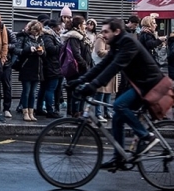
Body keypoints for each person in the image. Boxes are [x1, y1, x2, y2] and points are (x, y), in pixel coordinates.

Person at [70, 18, 164, 170]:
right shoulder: (117, 44)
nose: (103, 34)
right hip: (139, 84)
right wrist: (80, 80)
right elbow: (103, 65)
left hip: (150, 84)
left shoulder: (129, 43)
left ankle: (147, 137)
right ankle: (118, 158)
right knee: (117, 118)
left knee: (118, 105)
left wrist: (93, 86)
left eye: (106, 31)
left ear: (117, 31)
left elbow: (115, 67)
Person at [61, 16, 93, 117]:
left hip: (84, 68)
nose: (86, 26)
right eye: (84, 24)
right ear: (79, 26)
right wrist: (84, 64)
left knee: (80, 91)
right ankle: (75, 113)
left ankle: (79, 112)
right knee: (76, 91)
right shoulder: (74, 37)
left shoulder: (83, 36)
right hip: (77, 69)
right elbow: (76, 53)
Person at [15, 20, 44, 122]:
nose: (36, 33)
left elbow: (45, 53)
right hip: (26, 67)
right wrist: (28, 49)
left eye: (38, 31)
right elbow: (16, 50)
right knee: (26, 91)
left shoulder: (40, 39)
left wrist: (41, 52)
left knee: (33, 92)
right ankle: (25, 112)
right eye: (34, 30)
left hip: (37, 68)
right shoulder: (23, 37)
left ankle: (31, 112)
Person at [36, 19, 63, 118]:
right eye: (58, 28)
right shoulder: (48, 36)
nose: (60, 30)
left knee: (44, 88)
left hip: (51, 65)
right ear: (52, 28)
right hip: (51, 66)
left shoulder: (50, 35)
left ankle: (40, 108)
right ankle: (49, 110)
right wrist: (61, 46)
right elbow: (51, 49)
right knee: (50, 88)